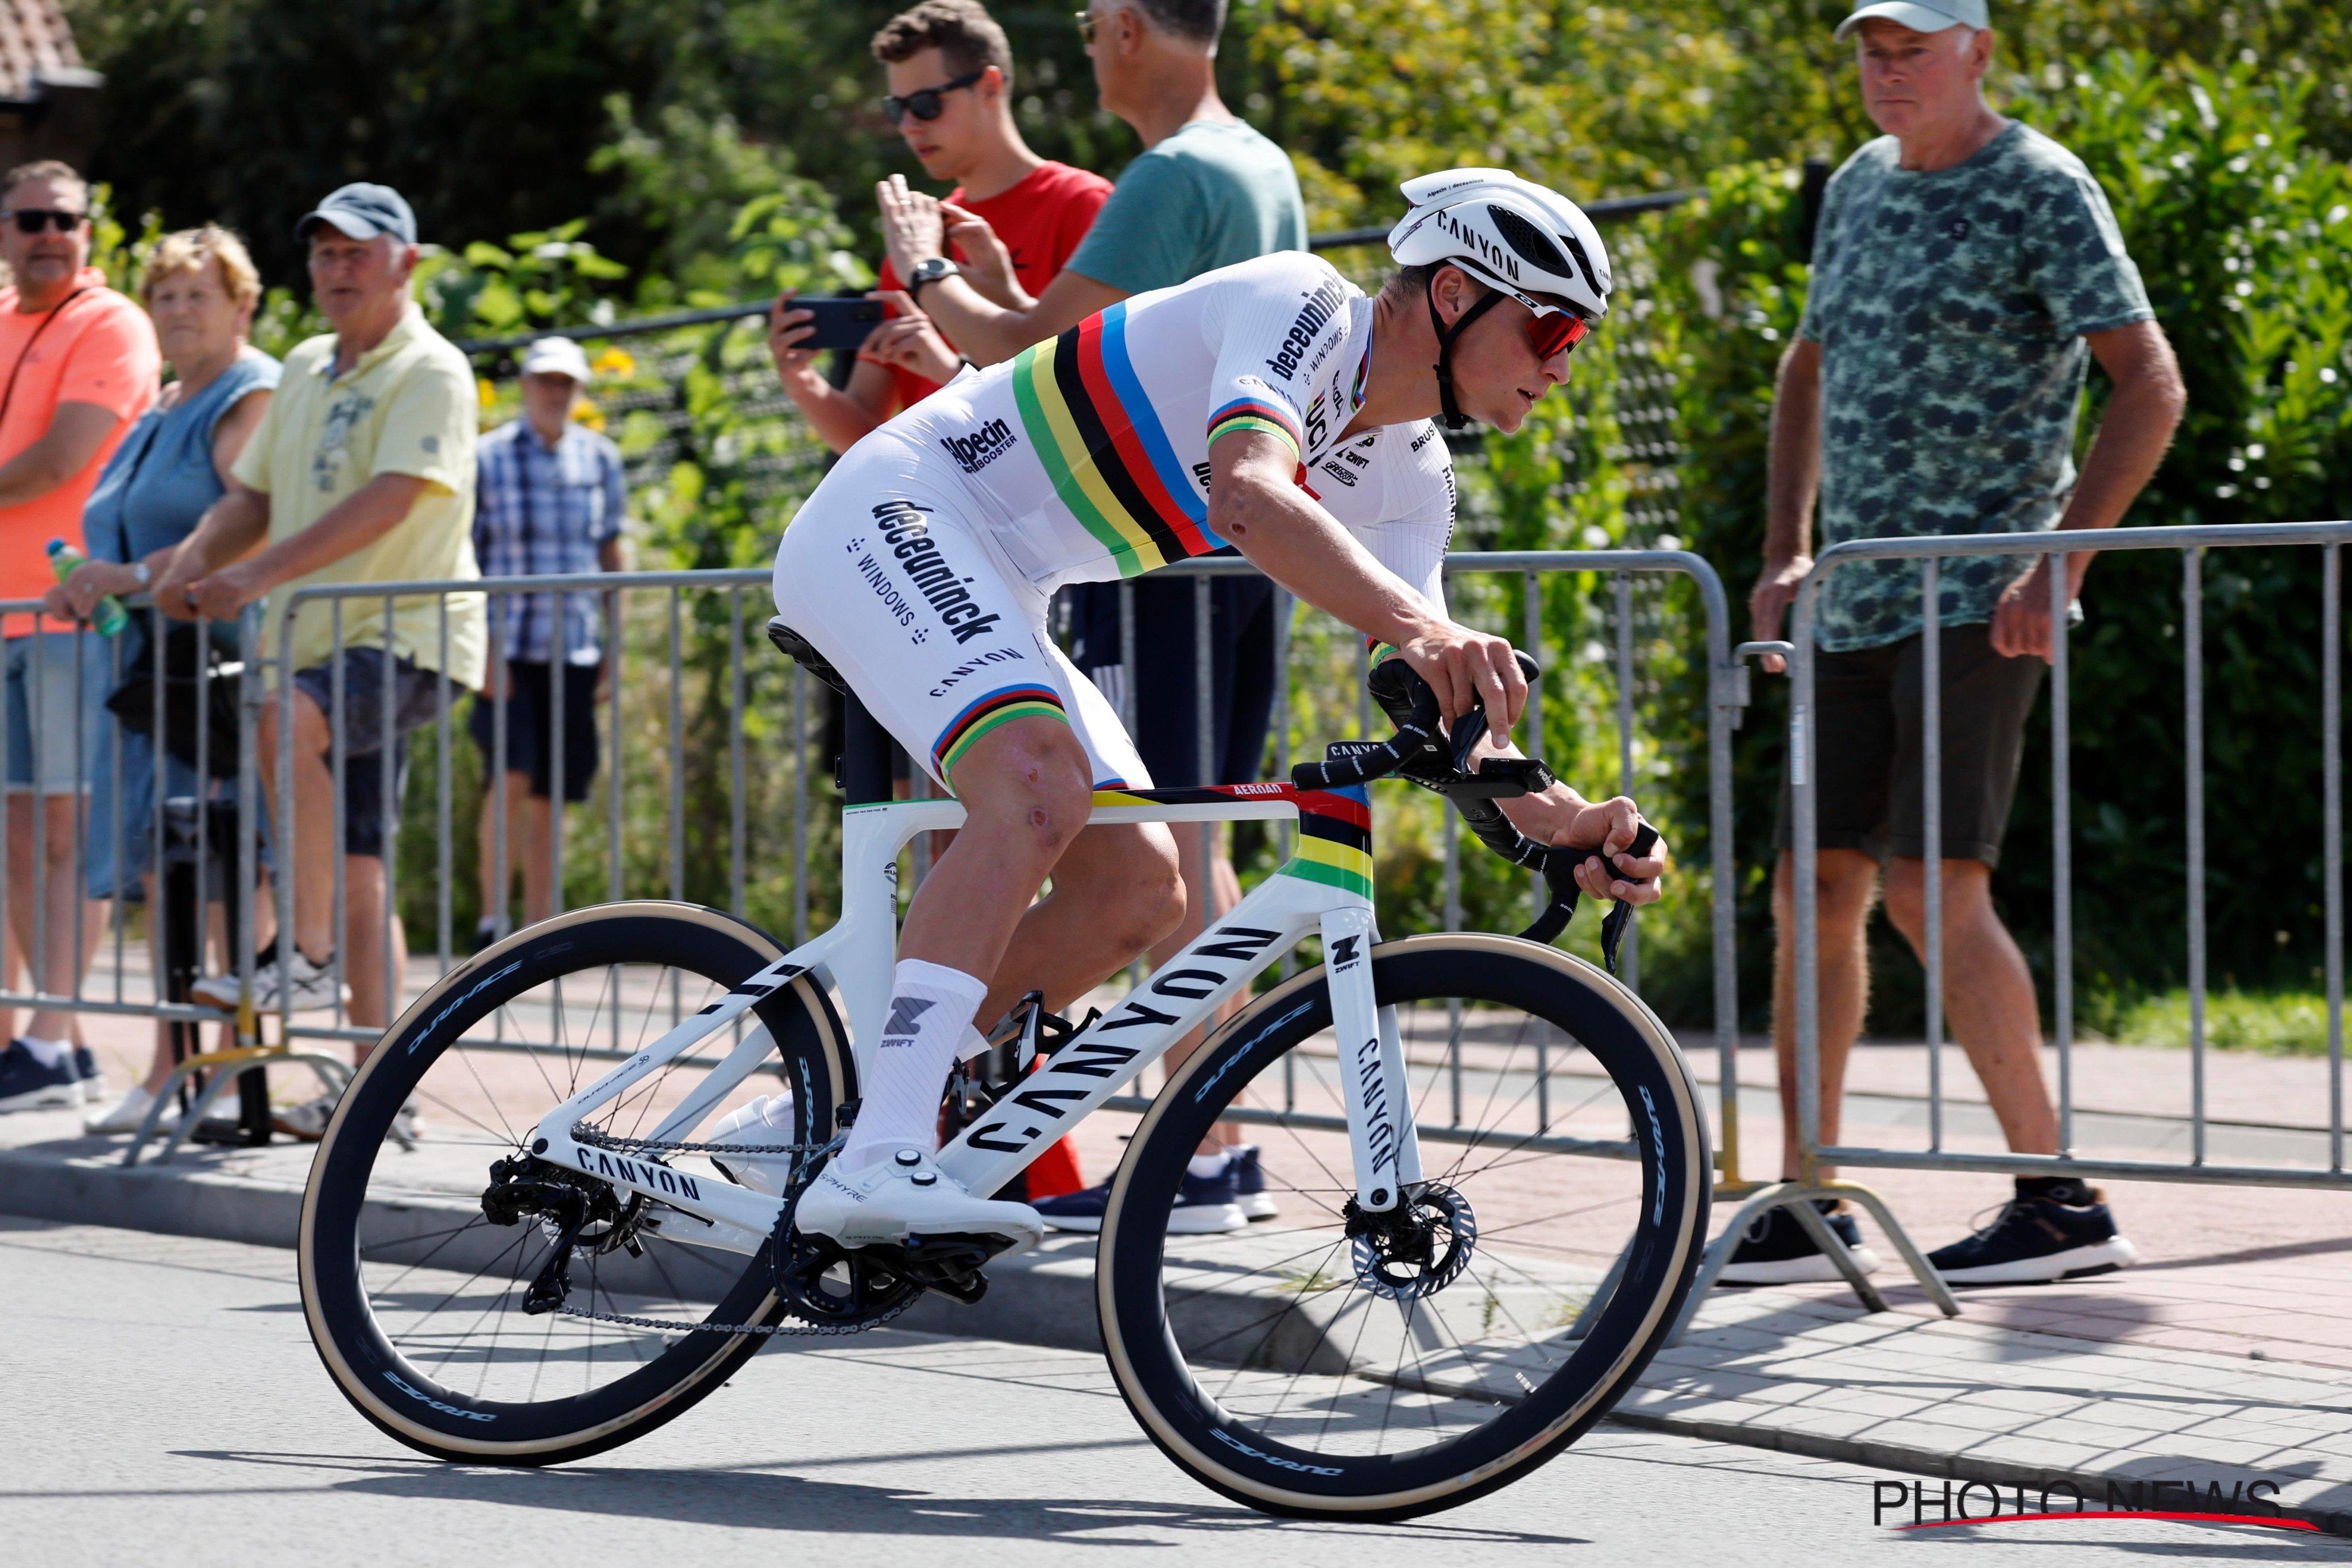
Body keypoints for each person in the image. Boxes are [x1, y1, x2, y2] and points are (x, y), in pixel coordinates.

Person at [753, 168, 1666, 1256]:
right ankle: (879, 1154)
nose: (1563, 366)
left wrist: (1562, 821)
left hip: (1007, 580)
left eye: (1579, 343)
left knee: (1142, 889)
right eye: (1552, 330)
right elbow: (1246, 491)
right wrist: (1424, 631)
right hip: (902, 507)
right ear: (1458, 295)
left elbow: (1445, 701)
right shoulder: (1304, 304)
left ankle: (812, 1119)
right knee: (1037, 784)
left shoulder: (1411, 475)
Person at [1733, 0, 2185, 1286]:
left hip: (1981, 596)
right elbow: (1806, 364)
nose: (1884, 75)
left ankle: (2058, 1201)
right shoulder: (1860, 189)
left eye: (1910, 51)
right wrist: (1785, 546)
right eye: (1869, 52)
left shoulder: (2038, 183)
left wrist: (2062, 556)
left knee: (1936, 888)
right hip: (1858, 595)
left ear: (1975, 52)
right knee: (1812, 890)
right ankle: (1805, 1196)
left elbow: (2146, 381)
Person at [869, 0, 1308, 1227]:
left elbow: (1022, 346)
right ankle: (1205, 1141)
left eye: (1087, 22)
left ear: (1126, 28)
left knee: (1158, 844)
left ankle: (1198, 1148)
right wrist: (1003, 296)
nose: (1084, 46)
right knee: (1197, 839)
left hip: (1159, 554)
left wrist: (925, 269)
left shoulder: (1171, 172)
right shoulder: (1255, 162)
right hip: (1228, 543)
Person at [163, 183, 486, 1139]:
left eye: (357, 251)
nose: (337, 268)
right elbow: (252, 495)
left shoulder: (433, 367)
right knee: (357, 864)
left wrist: (252, 576)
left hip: (404, 639)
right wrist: (185, 569)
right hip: (319, 642)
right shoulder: (305, 363)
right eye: (323, 252)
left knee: (287, 720)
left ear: (405, 263)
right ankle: (377, 1090)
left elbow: (392, 498)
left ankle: (301, 957)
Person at [42, 226, 280, 1134]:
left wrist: (134, 578)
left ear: (242, 303)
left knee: (219, 866)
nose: (179, 310)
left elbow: (241, 519)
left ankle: (219, 1063)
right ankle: (175, 1060)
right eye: (167, 294)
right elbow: (120, 527)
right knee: (164, 865)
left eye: (199, 294)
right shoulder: (157, 404)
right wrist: (87, 581)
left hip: (211, 665)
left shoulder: (248, 392)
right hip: (146, 670)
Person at [766, 0, 1112, 450]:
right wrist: (800, 381)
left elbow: (1096, 394)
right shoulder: (916, 237)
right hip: (953, 511)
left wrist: (950, 367)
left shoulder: (1083, 204)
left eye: (926, 105)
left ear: (989, 86)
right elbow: (865, 433)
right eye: (897, 108)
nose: (908, 126)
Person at [0, 160, 161, 1114]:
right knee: (16, 829)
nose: (49, 232)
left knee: (67, 828)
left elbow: (65, 453)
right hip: (4, 618)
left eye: (67, 217)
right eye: (30, 217)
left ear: (89, 231)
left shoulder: (111, 322)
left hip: (69, 612)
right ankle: (33, 1031)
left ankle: (59, 1040)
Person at [468, 336, 624, 950]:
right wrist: (479, 647)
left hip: (575, 647)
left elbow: (612, 550)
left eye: (566, 383)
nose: (555, 393)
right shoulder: (487, 457)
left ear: (577, 391)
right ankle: (490, 920)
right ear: (526, 387)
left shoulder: (601, 458)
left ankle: (537, 929)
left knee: (551, 791)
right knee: (508, 774)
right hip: (506, 646)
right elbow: (469, 556)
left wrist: (618, 644)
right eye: (545, 382)